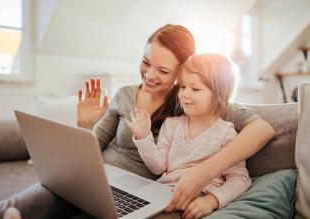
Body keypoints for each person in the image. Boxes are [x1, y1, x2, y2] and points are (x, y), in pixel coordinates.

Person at [77, 24, 275, 217]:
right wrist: (85, 125)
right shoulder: (126, 95)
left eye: (163, 71)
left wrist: (204, 175)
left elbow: (261, 130)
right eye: (146, 62)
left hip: (143, 192)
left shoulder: (190, 106)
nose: (149, 75)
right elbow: (91, 150)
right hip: (102, 175)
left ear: (182, 70)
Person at [125, 53, 251, 218]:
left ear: (219, 94)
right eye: (183, 87)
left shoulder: (226, 133)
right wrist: (143, 137)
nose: (184, 94)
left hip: (196, 199)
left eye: (195, 88)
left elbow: (240, 179)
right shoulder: (171, 125)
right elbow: (158, 167)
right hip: (162, 194)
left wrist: (212, 201)